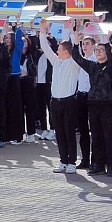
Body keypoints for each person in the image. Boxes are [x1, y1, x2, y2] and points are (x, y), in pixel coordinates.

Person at [40, 20, 83, 175]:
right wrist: (42, 31)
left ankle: (72, 162)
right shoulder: (56, 61)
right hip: (55, 102)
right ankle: (63, 160)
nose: (56, 50)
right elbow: (45, 48)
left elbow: (75, 51)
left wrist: (70, 31)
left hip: (69, 101)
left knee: (69, 131)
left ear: (66, 51)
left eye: (59, 49)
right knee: (59, 132)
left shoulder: (73, 63)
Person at [73, 39, 112, 177]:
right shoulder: (92, 66)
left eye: (101, 50)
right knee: (96, 135)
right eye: (97, 50)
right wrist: (76, 43)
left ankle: (110, 164)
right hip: (93, 104)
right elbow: (77, 58)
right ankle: (98, 165)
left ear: (107, 53)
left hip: (107, 104)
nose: (98, 52)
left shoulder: (111, 65)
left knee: (108, 135)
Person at [75, 34, 96, 170]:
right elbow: (73, 53)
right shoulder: (80, 60)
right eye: (83, 44)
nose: (85, 46)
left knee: (95, 130)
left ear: (93, 46)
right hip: (81, 96)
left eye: (87, 43)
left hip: (92, 97)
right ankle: (85, 159)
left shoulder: (95, 60)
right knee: (83, 130)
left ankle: (96, 160)